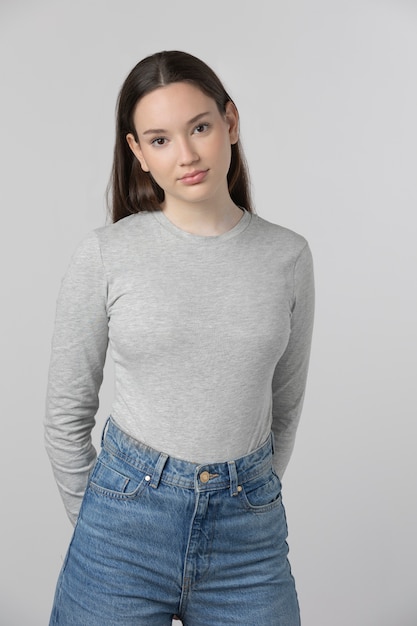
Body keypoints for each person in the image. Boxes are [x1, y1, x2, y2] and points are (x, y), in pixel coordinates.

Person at [45, 50, 314, 626]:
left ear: (230, 124)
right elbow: (67, 411)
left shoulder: (287, 256)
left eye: (199, 128)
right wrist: (100, 521)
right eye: (160, 140)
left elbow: (284, 407)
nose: (187, 155)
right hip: (122, 528)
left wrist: (244, 496)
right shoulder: (107, 253)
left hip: (250, 537)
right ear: (138, 154)